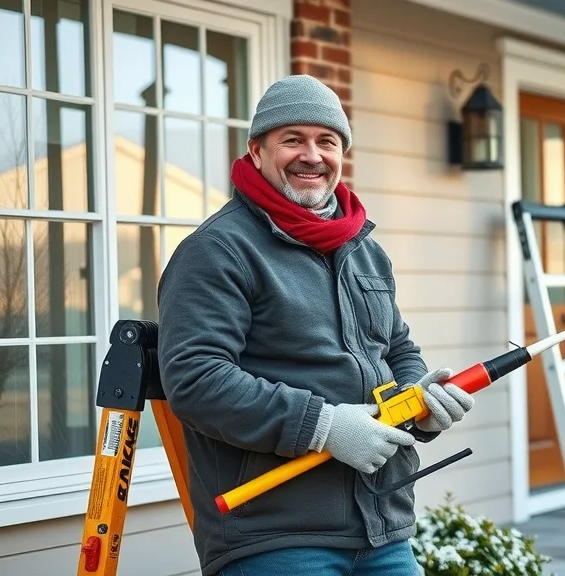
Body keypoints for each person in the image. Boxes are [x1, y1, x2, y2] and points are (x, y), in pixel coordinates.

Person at [156, 74, 476, 576]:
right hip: (274, 537)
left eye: (327, 141)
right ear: (257, 151)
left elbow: (398, 351)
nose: (312, 154)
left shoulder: (365, 252)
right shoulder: (217, 252)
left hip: (382, 525)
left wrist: (419, 401)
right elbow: (197, 380)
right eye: (292, 139)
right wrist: (322, 427)